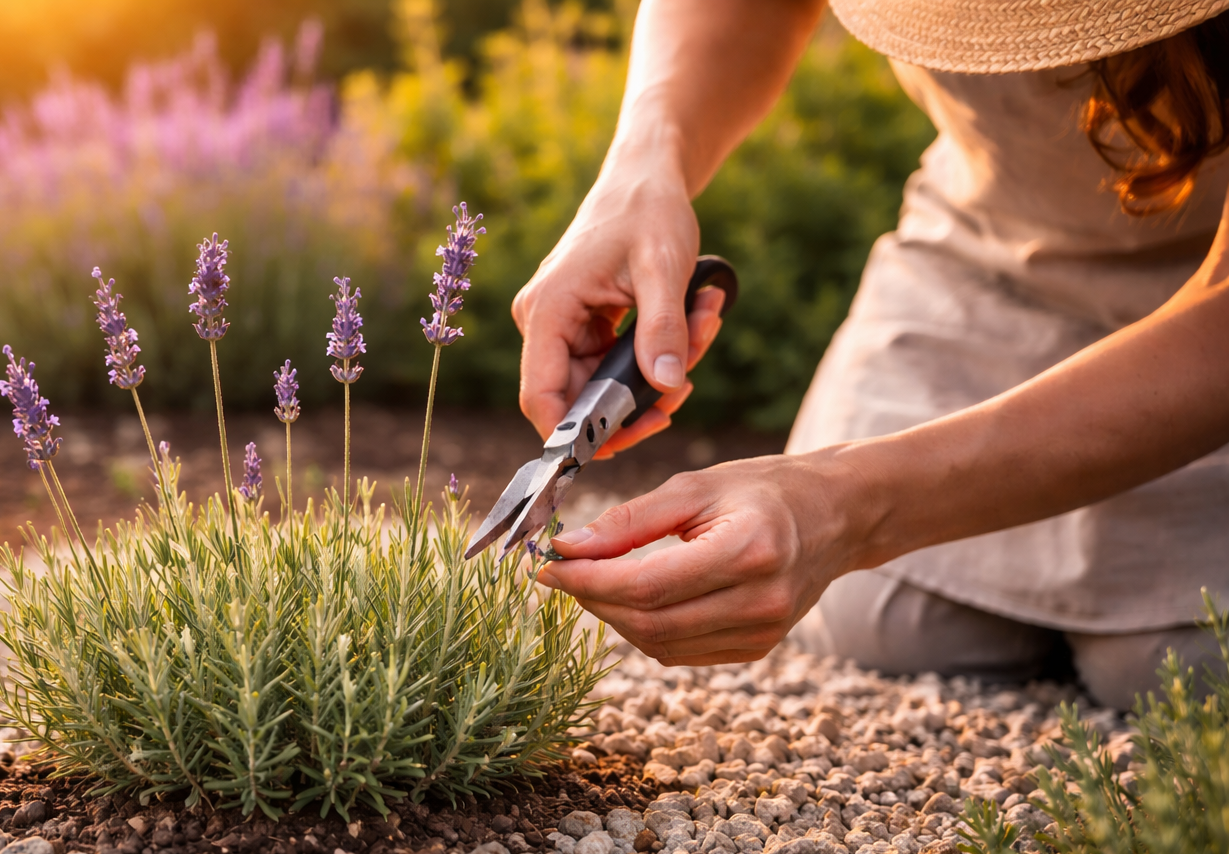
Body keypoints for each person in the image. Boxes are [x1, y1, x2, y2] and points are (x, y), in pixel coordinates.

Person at [514, 0, 1229, 708]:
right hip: (986, 258)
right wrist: (645, 162)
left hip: (1203, 332)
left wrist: (844, 505)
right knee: (882, 619)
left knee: (1172, 664)